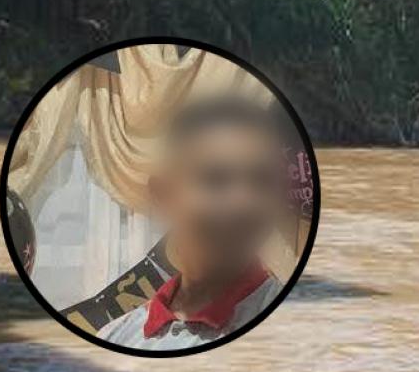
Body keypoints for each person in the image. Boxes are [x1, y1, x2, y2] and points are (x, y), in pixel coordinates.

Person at [98, 97, 287, 350]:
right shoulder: (116, 336)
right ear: (164, 195)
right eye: (216, 179)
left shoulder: (292, 329)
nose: (244, 203)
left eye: (263, 180)